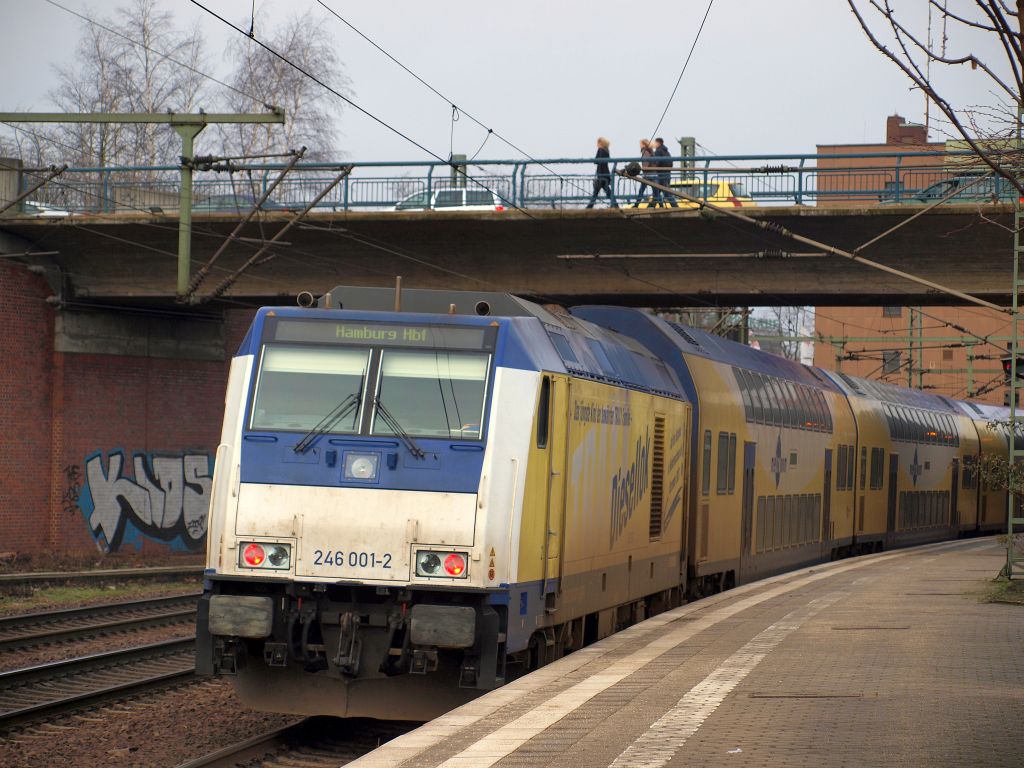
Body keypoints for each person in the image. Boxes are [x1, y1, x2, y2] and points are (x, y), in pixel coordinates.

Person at [585, 137, 618, 208]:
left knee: (597, 193)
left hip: (601, 173)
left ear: (600, 143)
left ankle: (589, 207)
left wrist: (593, 160)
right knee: (606, 192)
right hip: (605, 173)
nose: (596, 145)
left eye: (597, 143)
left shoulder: (600, 149)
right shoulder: (606, 150)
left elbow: (597, 161)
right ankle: (615, 205)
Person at [632, 139, 659, 208]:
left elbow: (645, 163)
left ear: (643, 144)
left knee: (641, 190)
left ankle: (636, 205)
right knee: (656, 191)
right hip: (654, 173)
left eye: (640, 144)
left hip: (647, 174)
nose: (639, 145)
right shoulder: (651, 151)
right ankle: (661, 205)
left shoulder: (645, 151)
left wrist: (642, 168)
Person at [652, 137, 677, 208]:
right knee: (659, 191)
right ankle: (651, 205)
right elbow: (671, 163)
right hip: (667, 173)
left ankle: (674, 206)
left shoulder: (658, 151)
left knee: (664, 192)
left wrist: (653, 167)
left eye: (655, 142)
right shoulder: (666, 151)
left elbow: (657, 162)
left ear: (658, 143)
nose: (654, 144)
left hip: (661, 174)